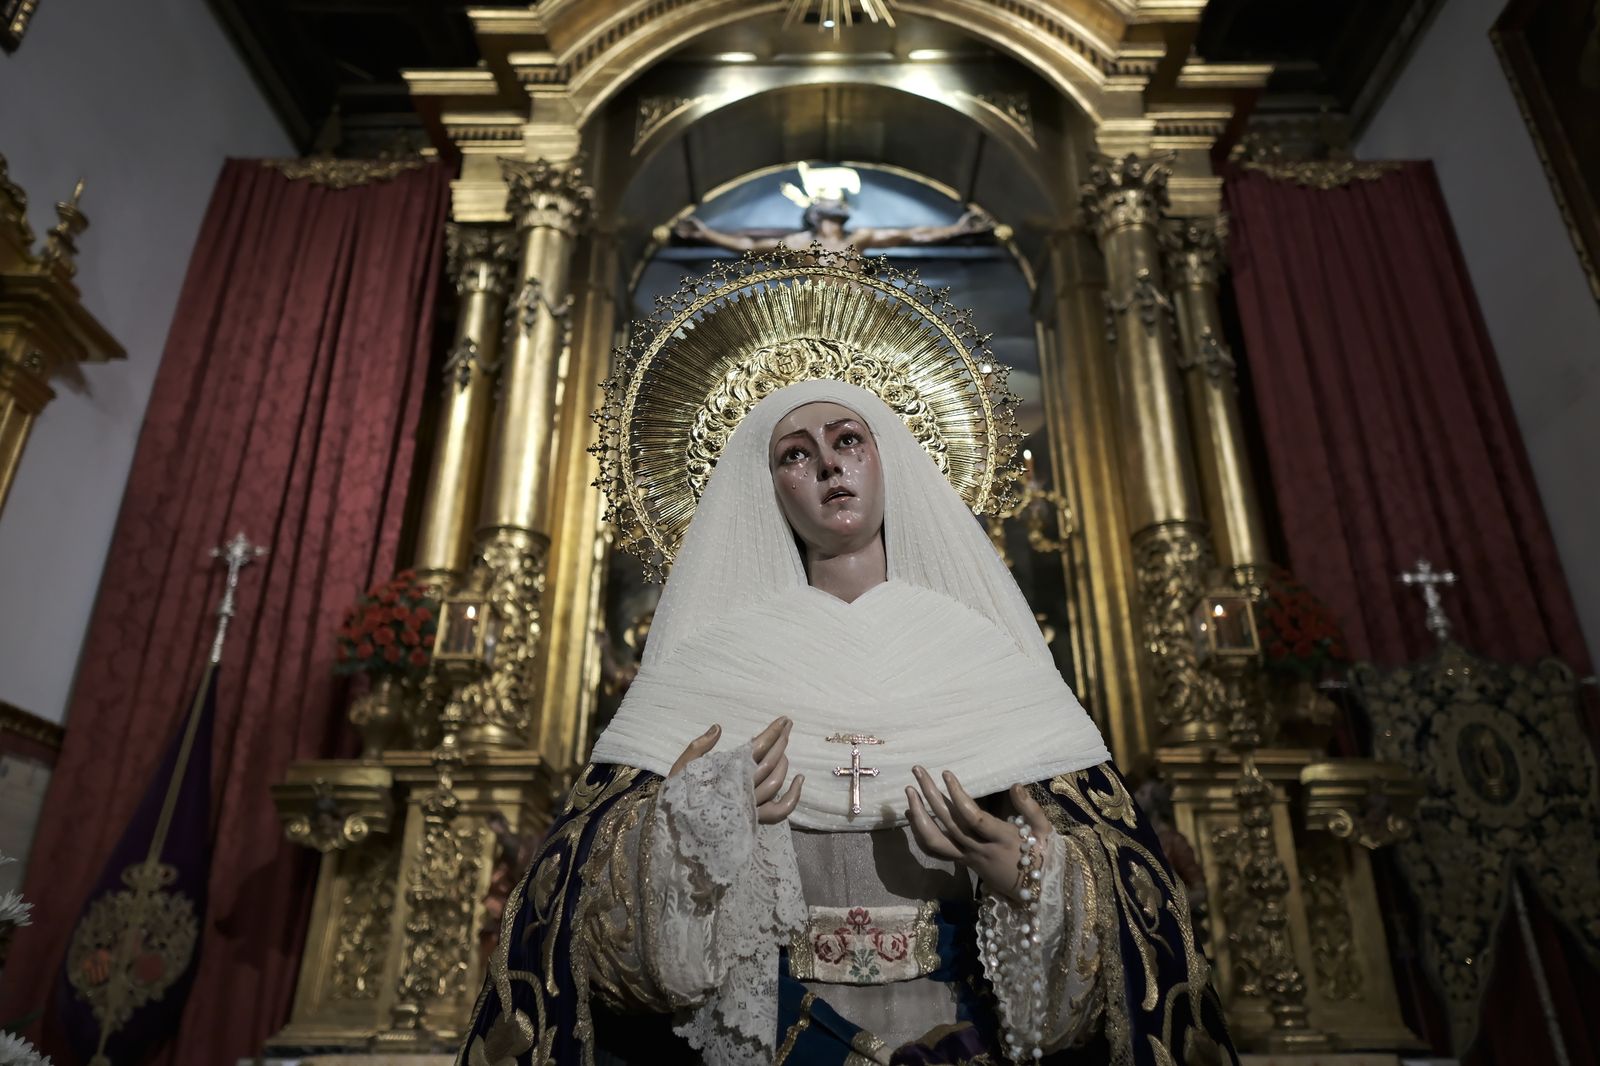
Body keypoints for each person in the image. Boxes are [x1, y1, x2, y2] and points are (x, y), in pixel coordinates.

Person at [459, 374, 1235, 1066]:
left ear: (887, 459)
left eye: (848, 441)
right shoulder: (708, 670)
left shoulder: (986, 660)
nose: (829, 466)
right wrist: (680, 840)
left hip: (956, 1037)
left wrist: (1032, 879)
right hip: (781, 1038)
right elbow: (573, 918)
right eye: (796, 455)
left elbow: (1128, 910)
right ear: (765, 489)